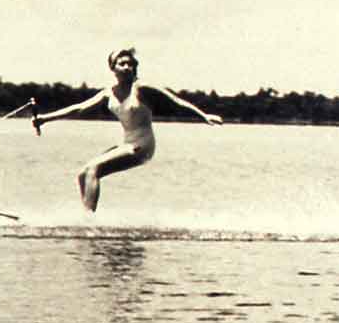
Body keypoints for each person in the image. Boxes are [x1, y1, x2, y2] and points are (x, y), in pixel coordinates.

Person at [33, 48, 222, 212]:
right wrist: (44, 119)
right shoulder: (109, 92)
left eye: (130, 64)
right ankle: (87, 214)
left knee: (93, 169)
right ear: (112, 68)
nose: (127, 67)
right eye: (121, 63)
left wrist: (205, 116)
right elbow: (79, 108)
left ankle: (87, 219)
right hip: (127, 143)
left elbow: (177, 102)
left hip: (142, 145)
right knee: (83, 173)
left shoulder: (142, 88)